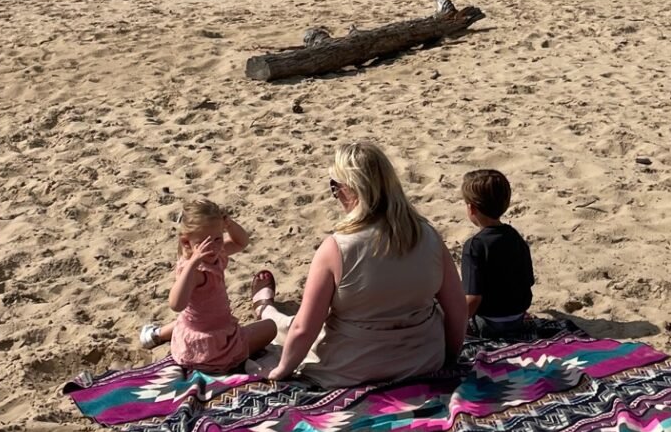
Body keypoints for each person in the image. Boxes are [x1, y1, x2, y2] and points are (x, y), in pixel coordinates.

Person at [252, 139, 465, 386]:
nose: (335, 195)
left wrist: (282, 371)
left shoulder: (336, 248)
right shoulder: (428, 235)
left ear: (349, 189)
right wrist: (449, 357)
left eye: (335, 187)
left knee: (291, 328)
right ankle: (267, 311)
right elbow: (458, 309)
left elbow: (305, 328)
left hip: (354, 367)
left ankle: (266, 311)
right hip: (423, 360)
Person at [139, 197, 278, 374]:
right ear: (186, 242)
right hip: (211, 348)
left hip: (198, 329)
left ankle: (155, 335)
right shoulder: (195, 271)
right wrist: (192, 264)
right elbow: (175, 304)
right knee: (270, 327)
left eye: (218, 239)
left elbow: (241, 242)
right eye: (204, 243)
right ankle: (159, 335)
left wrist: (229, 224)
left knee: (189, 318)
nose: (213, 247)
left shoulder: (215, 253)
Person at [459, 168, 535, 338]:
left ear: (471, 208)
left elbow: (473, 298)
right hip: (518, 318)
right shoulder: (515, 237)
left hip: (488, 323)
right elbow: (528, 281)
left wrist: (455, 324)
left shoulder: (474, 246)